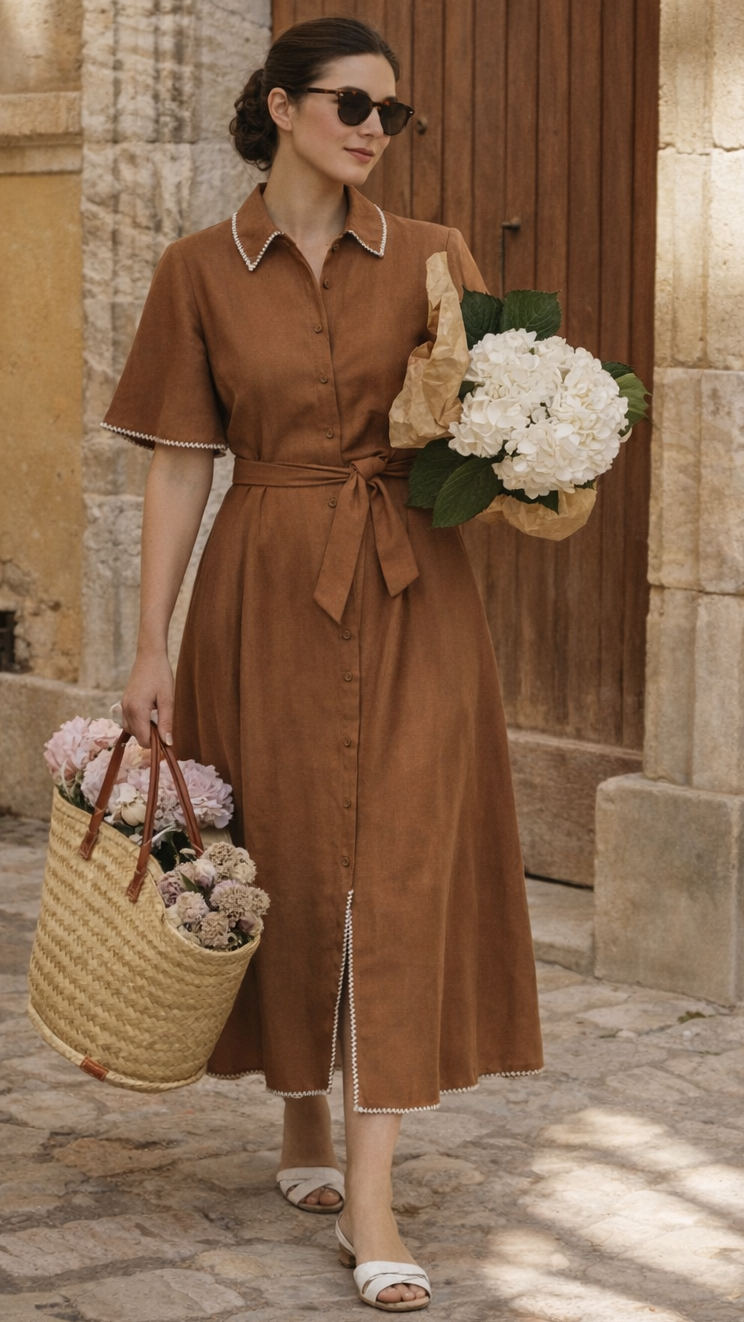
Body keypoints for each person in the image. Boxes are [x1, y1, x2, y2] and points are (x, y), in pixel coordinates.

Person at [108, 16, 543, 1313]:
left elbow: (499, 416)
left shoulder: (434, 257)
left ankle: (371, 1189)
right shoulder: (199, 269)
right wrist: (149, 644)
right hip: (265, 585)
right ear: (283, 108)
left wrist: (535, 447)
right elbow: (183, 458)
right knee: (287, 855)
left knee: (401, 866)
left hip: (415, 589)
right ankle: (300, 1111)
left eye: (390, 114)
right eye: (352, 104)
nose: (373, 129)